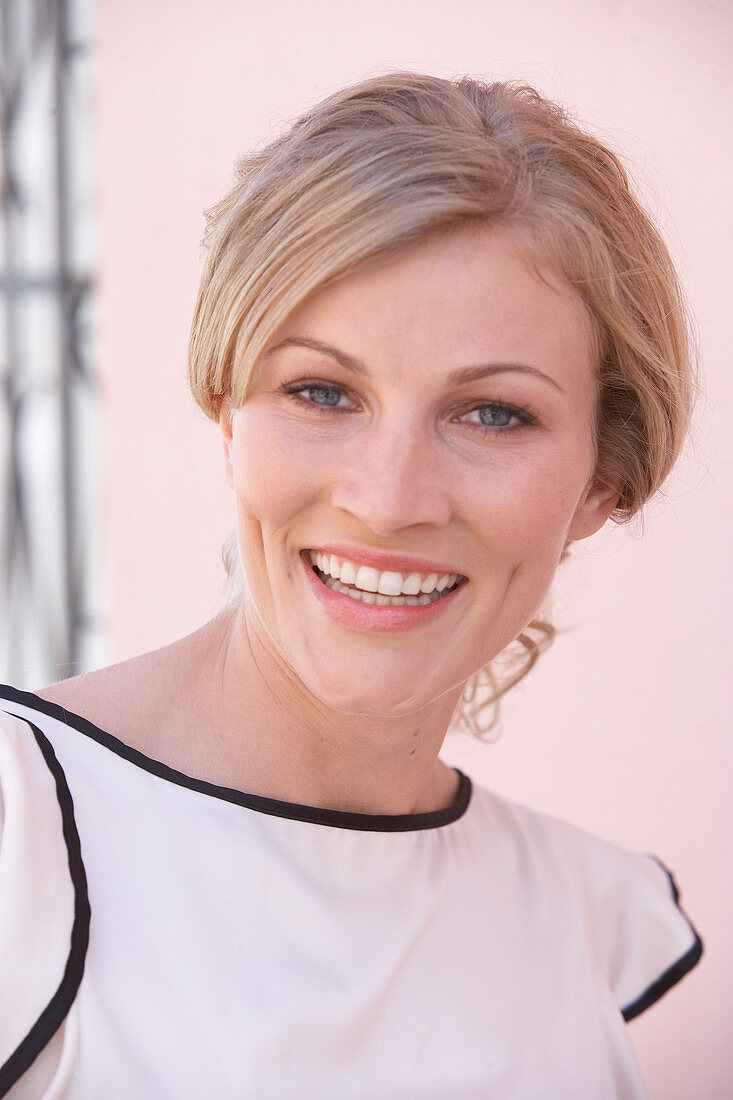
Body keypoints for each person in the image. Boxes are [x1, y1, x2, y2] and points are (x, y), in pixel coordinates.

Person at [0, 72, 702, 1099]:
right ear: (227, 413)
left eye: (492, 413)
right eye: (320, 390)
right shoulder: (22, 824)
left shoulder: (584, 912)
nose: (387, 499)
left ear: (606, 476)